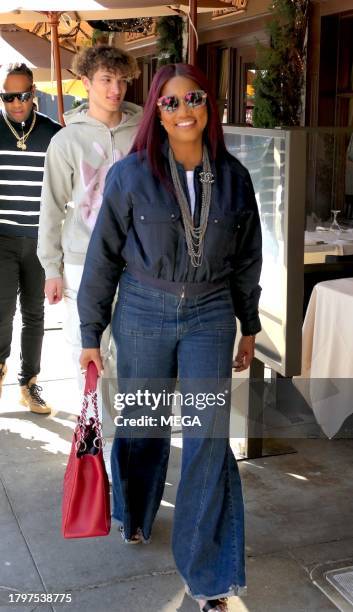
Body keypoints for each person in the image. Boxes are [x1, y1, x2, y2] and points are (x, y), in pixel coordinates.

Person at [78, 63, 262, 612]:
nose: (185, 111)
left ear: (209, 107)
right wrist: (91, 331)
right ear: (156, 112)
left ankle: (209, 577)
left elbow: (247, 261)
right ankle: (134, 511)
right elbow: (102, 257)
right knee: (143, 424)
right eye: (172, 103)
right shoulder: (131, 175)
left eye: (195, 99)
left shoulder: (233, 178)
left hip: (210, 313)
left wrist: (247, 324)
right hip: (142, 309)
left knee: (208, 441)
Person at [37, 45, 142, 428]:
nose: (116, 89)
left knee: (133, 355)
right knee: (90, 356)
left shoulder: (145, 134)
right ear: (86, 83)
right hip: (81, 263)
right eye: (106, 80)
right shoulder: (65, 141)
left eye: (122, 80)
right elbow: (51, 207)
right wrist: (51, 268)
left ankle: (127, 441)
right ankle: (98, 445)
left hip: (137, 264)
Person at [0, 62, 61, 413]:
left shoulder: (53, 133)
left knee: (35, 313)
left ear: (33, 93)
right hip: (2, 238)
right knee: (1, 310)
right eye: (8, 97)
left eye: (22, 95)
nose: (16, 103)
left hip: (41, 240)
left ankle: (29, 382)